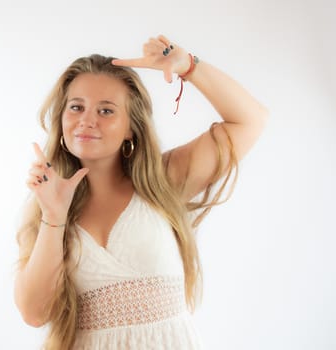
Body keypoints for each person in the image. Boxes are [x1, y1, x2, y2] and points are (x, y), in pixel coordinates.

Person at [14, 34, 268, 349]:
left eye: (106, 111)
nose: (86, 121)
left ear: (131, 127)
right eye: (76, 107)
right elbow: (35, 313)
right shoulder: (45, 208)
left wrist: (188, 66)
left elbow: (250, 120)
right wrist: (54, 217)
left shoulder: (164, 181)